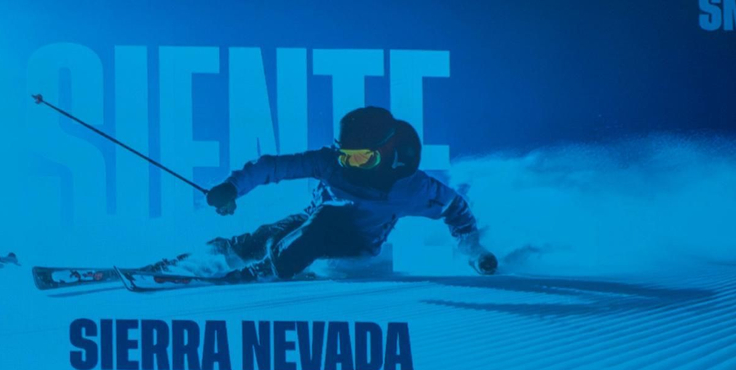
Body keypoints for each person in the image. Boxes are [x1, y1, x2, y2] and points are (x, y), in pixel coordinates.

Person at [172, 106, 497, 281]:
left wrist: (474, 250)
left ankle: (264, 271)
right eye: (345, 156)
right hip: (311, 223)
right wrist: (231, 188)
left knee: (324, 219)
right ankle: (190, 264)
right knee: (265, 236)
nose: (350, 166)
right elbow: (272, 167)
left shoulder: (410, 187)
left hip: (356, 244)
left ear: (385, 152)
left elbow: (456, 209)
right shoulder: (331, 164)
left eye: (361, 158)